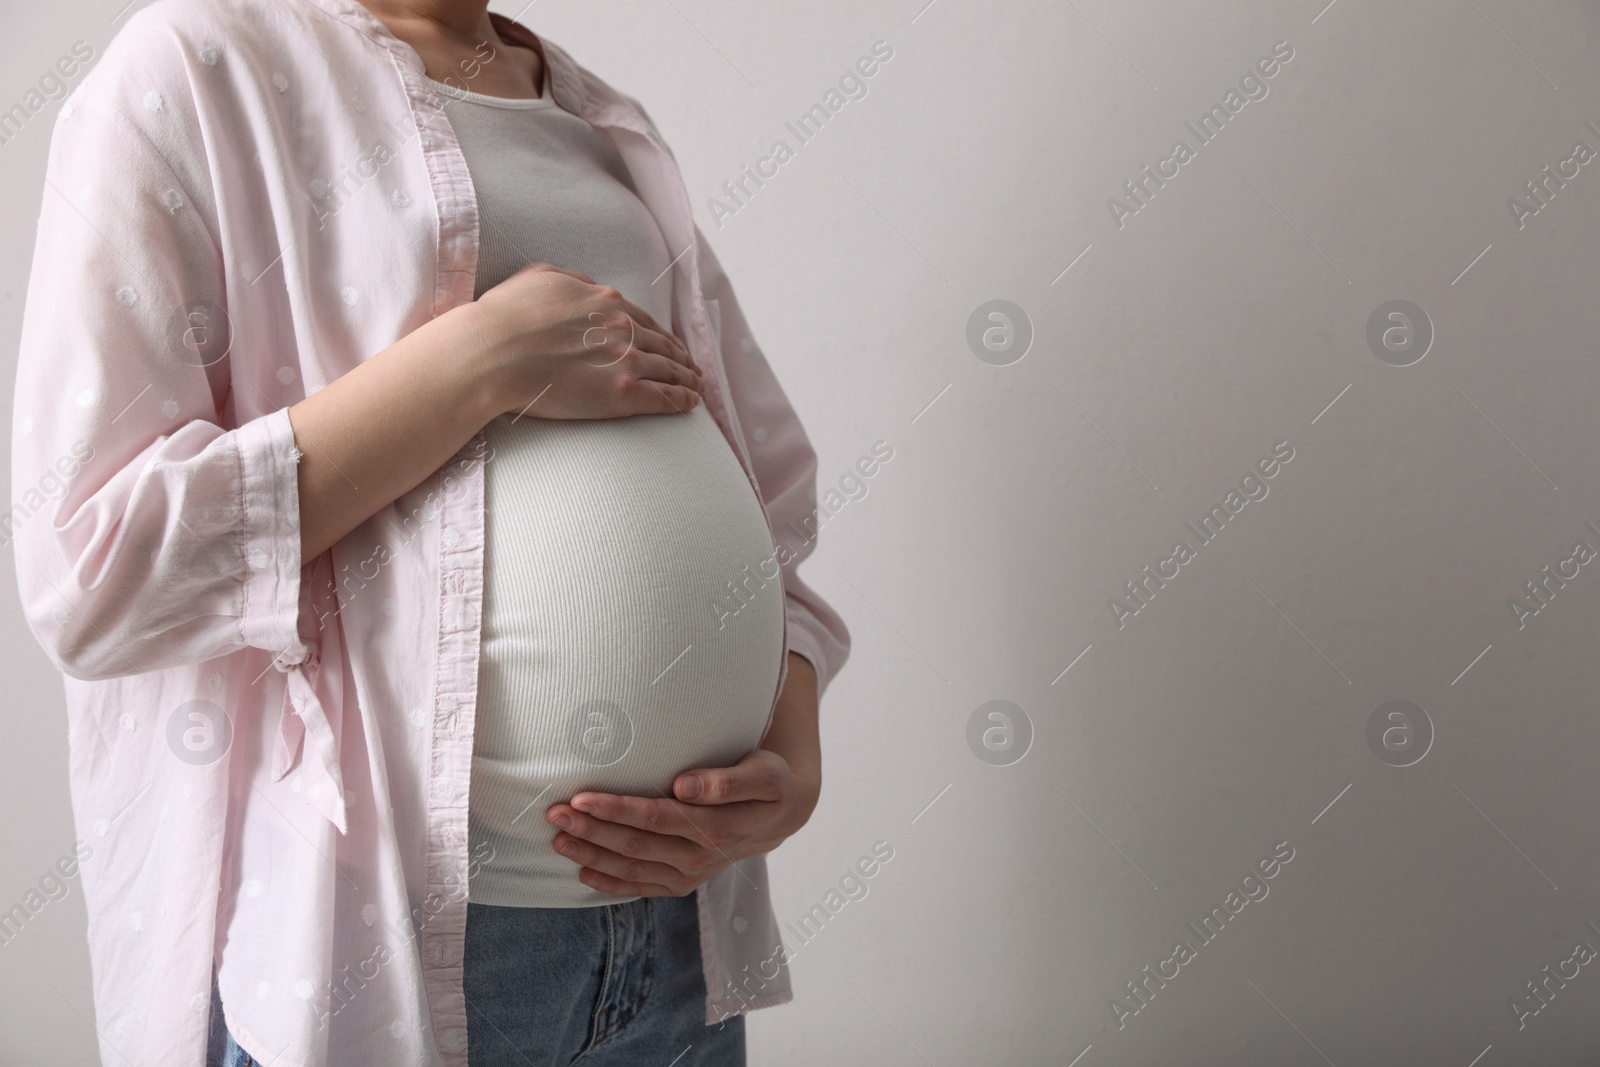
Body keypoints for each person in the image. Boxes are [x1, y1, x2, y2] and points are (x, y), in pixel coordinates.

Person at [9, 0, 850, 1063]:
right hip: (396, 951)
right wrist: (475, 365)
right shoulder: (195, 65)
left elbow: (769, 512)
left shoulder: (603, 122)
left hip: (675, 949)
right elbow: (95, 575)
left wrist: (790, 752)